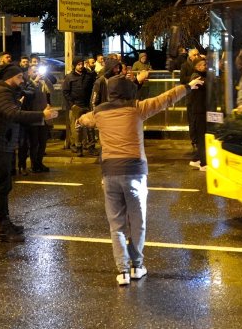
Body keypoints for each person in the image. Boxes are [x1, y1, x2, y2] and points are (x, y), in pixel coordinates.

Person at [77, 69, 204, 285]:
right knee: (137, 221)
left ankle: (122, 272)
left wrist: (80, 119)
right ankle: (137, 266)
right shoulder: (137, 109)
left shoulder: (99, 113)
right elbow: (165, 99)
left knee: (116, 225)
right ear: (130, 92)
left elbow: (84, 119)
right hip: (135, 171)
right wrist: (187, 86)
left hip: (110, 173)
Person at [0, 64, 56, 242]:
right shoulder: (1, 92)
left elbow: (19, 102)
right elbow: (13, 114)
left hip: (1, 144)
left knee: (4, 186)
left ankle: (6, 223)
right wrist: (41, 115)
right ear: (10, 77)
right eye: (20, 77)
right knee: (1, 187)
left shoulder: (7, 91)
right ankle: (3, 228)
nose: (22, 80)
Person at [61, 59, 95, 153]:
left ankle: (91, 146)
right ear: (74, 65)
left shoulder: (88, 75)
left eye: (82, 64)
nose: (81, 66)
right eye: (78, 64)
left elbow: (93, 88)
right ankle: (76, 146)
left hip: (87, 104)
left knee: (90, 127)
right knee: (76, 128)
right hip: (76, 105)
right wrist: (72, 105)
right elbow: (66, 92)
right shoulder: (70, 77)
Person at [183, 56, 209, 170]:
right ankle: (203, 164)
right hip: (199, 111)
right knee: (202, 138)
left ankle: (196, 159)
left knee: (203, 136)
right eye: (204, 65)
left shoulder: (202, 75)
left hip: (201, 110)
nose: (206, 67)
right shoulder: (196, 76)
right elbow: (206, 84)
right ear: (197, 66)